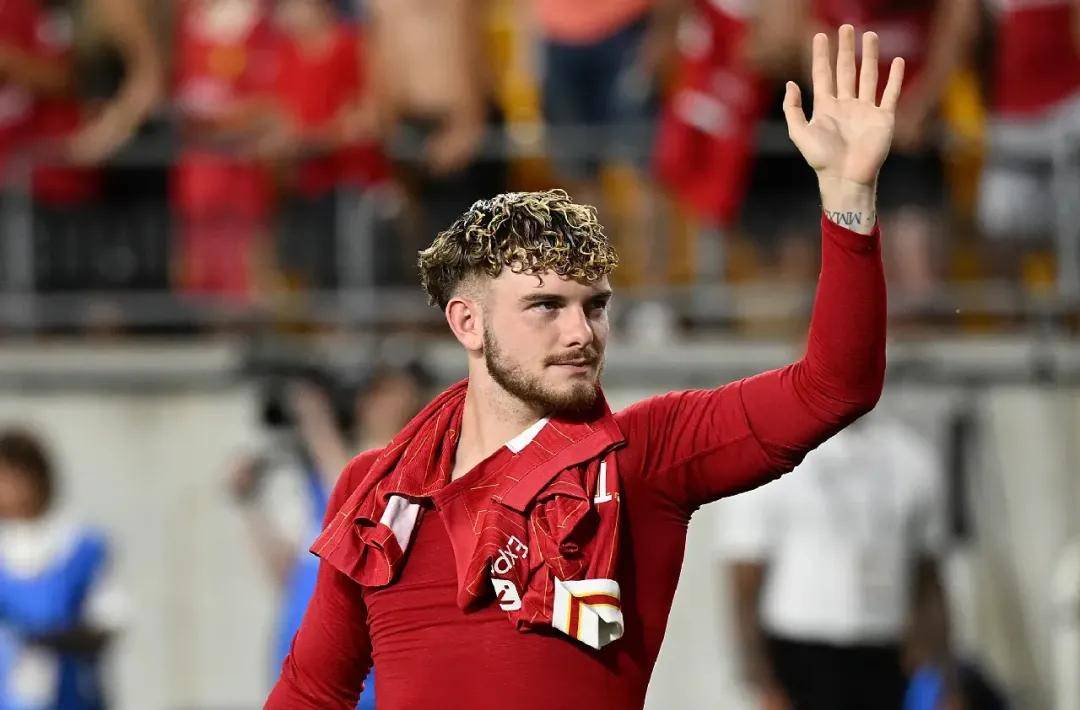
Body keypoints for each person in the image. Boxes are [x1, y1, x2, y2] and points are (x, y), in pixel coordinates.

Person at [266, 25, 900, 709]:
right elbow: (312, 690)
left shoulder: (644, 456)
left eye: (594, 306)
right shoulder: (379, 487)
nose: (581, 332)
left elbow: (833, 387)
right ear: (467, 323)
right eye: (546, 306)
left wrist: (848, 200)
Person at [719, 412, 954, 710]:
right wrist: (760, 679)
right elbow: (744, 583)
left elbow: (928, 578)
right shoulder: (767, 455)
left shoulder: (911, 458)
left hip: (883, 651)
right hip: (798, 653)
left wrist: (945, 677)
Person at [233, 365, 429, 709]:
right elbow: (288, 574)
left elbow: (356, 504)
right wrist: (251, 503)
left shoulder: (406, 473)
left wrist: (315, 421)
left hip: (365, 678)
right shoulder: (319, 480)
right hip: (303, 666)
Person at [0, 428, 125, 710]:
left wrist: (50, 639)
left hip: (72, 698)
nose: (8, 490)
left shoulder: (81, 546)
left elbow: (108, 623)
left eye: (15, 478)